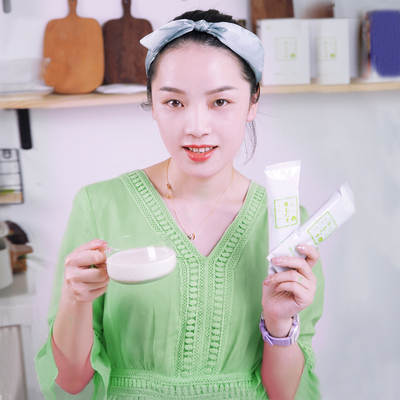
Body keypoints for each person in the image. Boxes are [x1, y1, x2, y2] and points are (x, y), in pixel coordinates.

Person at [35, 9, 324, 400]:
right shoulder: (99, 205)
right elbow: (71, 382)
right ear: (153, 104)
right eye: (174, 102)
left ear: (252, 101)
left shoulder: (285, 223)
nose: (196, 127)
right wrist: (75, 300)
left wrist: (278, 322)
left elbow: (284, 393)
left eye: (220, 101)